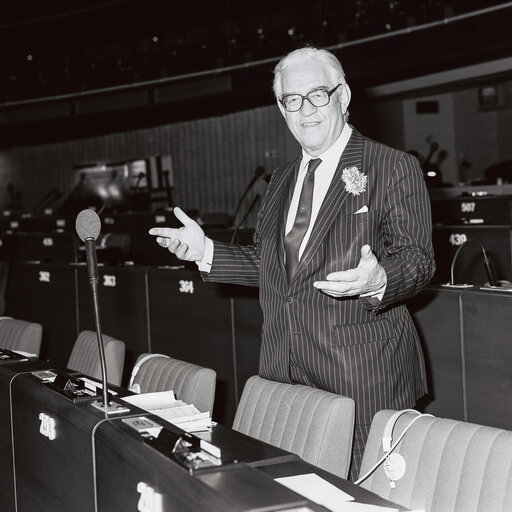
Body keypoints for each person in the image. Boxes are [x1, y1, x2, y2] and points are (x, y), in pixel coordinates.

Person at [149, 46, 435, 479]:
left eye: (317, 94)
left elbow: (418, 257)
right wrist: (206, 251)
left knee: (359, 501)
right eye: (292, 100)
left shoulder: (391, 166)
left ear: (344, 96)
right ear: (282, 109)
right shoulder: (281, 180)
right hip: (284, 376)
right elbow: (272, 264)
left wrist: (380, 279)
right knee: (292, 494)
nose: (305, 110)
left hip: (362, 380)